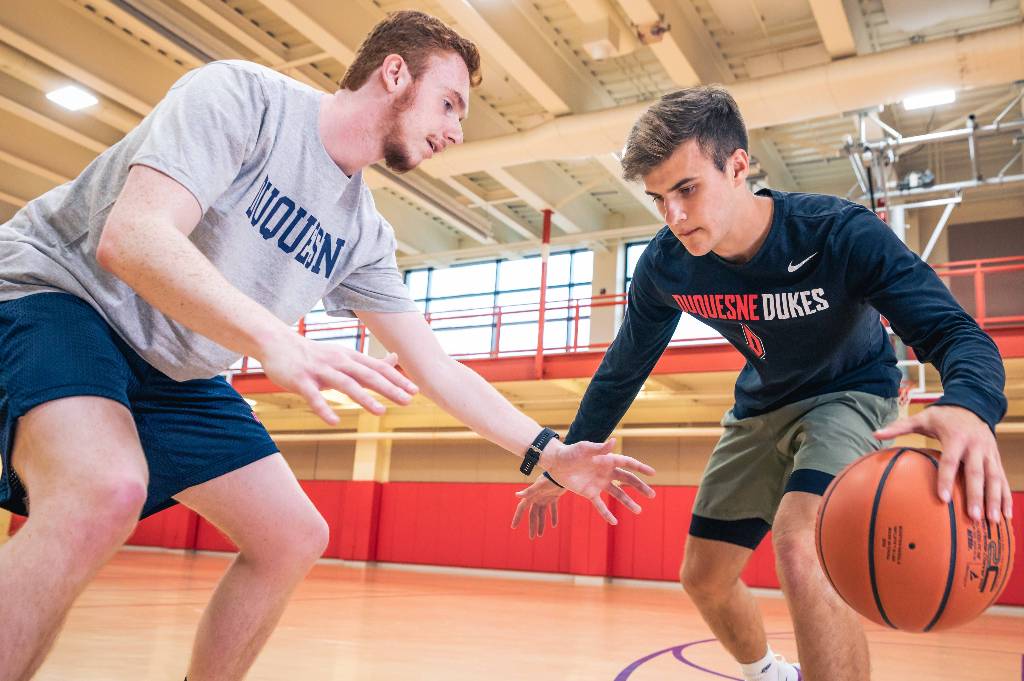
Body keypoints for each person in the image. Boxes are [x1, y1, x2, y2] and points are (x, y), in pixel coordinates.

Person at [0, 11, 657, 681]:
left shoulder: (361, 231)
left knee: (293, 536)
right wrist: (271, 337)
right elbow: (132, 237)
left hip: (177, 368)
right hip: (66, 295)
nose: (456, 131)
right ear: (394, 72)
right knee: (105, 488)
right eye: (450, 103)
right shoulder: (244, 98)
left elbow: (433, 366)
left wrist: (549, 451)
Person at [511, 86, 1011, 681]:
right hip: (760, 406)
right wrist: (565, 455)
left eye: (687, 189)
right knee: (703, 577)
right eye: (657, 198)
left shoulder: (836, 233)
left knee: (802, 546)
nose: (673, 215)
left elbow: (953, 330)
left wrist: (969, 406)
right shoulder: (666, 265)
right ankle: (771, 674)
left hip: (850, 392)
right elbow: (625, 365)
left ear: (739, 165)